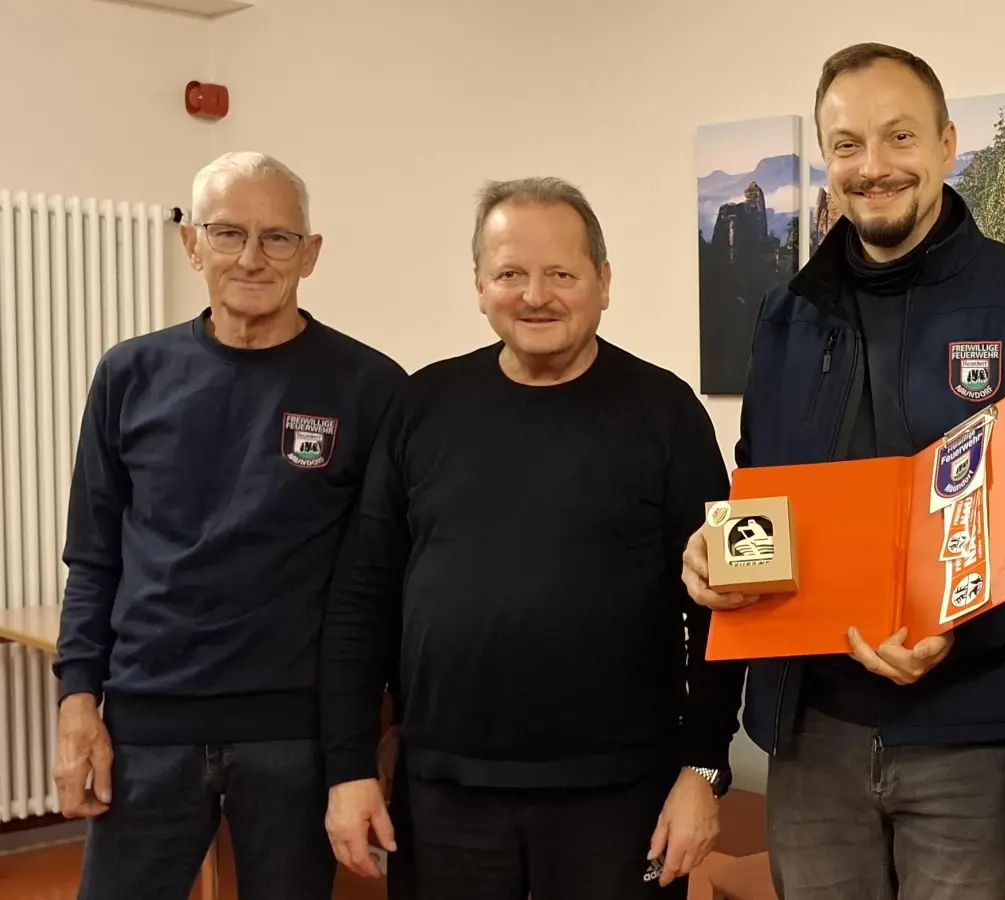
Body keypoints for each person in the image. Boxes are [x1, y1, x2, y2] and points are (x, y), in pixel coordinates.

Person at [681, 43, 1005, 900]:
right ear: (826, 160)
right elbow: (761, 484)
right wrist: (720, 554)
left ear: (947, 144)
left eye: (899, 136)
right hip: (812, 738)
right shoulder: (786, 314)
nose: (873, 166)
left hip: (977, 740)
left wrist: (962, 628)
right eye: (847, 144)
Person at [318, 176, 747, 900]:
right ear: (479, 285)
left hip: (622, 797)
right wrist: (349, 765)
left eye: (561, 274)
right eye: (511, 273)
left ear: (603, 282)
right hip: (444, 793)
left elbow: (721, 603)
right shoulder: (422, 405)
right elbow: (363, 597)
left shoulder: (665, 412)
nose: (535, 295)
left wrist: (703, 769)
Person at [51, 151, 408, 900]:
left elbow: (386, 579)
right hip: (146, 725)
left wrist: (379, 734)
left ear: (310, 253)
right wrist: (78, 699)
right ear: (191, 243)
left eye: (278, 237)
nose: (252, 257)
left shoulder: (370, 387)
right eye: (228, 233)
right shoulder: (129, 375)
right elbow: (94, 557)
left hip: (295, 735)